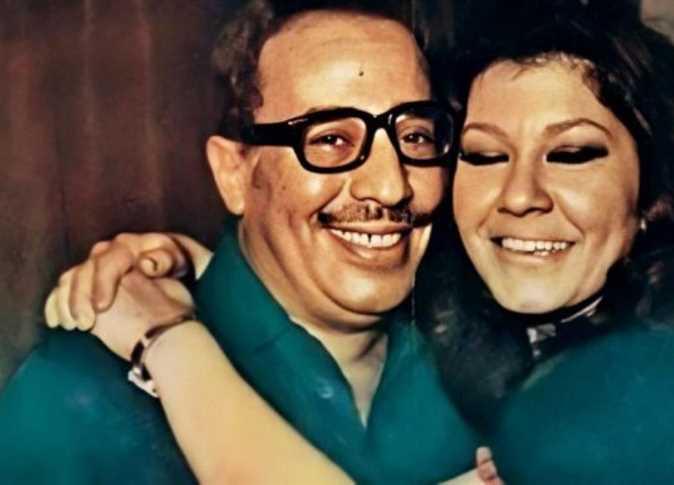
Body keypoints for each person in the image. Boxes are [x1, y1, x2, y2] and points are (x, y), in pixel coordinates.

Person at [48, 2, 674, 483]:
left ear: (655, 195)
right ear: (234, 172)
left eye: (572, 153)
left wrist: (171, 339)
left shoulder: (645, 383)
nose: (518, 196)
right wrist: (197, 268)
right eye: (483, 154)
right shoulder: (469, 332)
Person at [0, 1, 487, 484]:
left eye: (415, 137)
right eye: (331, 140)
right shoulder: (79, 398)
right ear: (233, 173)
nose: (390, 186)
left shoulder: (483, 378)